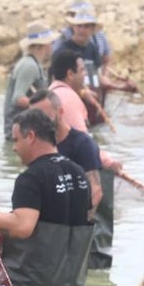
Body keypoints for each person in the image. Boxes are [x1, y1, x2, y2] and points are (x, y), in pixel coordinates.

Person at [0, 109, 93, 286]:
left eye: (16, 140)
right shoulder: (80, 175)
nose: (14, 148)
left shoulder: (31, 178)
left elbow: (23, 227)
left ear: (31, 136)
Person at [28, 89, 115, 270]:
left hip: (78, 227)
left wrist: (74, 232)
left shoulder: (82, 144)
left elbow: (96, 192)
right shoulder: (37, 145)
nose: (39, 123)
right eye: (34, 117)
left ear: (60, 112)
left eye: (44, 116)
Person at [3, 22, 57, 142]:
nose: (52, 46)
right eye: (50, 42)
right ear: (43, 45)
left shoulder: (34, 64)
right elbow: (17, 98)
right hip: (21, 132)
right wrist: (44, 107)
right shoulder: (29, 66)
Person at [49, 50, 92, 135]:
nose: (86, 73)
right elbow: (82, 141)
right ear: (70, 74)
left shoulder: (50, 92)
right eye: (82, 70)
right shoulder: (69, 98)